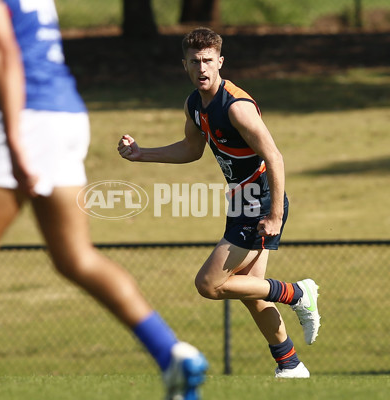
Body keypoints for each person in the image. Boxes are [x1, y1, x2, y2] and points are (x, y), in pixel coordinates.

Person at [0, 1, 207, 400]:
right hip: (66, 113)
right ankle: (172, 354)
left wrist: (17, 143)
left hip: (29, 115)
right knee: (75, 257)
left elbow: (4, 50)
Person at [118, 27, 320, 378]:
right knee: (251, 291)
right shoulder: (194, 104)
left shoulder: (237, 107)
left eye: (208, 61)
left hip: (260, 202)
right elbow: (191, 150)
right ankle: (290, 365)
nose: (202, 68)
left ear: (220, 61)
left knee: (209, 284)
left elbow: (275, 158)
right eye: (195, 61)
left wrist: (273, 215)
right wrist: (141, 154)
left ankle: (297, 292)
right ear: (185, 64)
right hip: (241, 202)